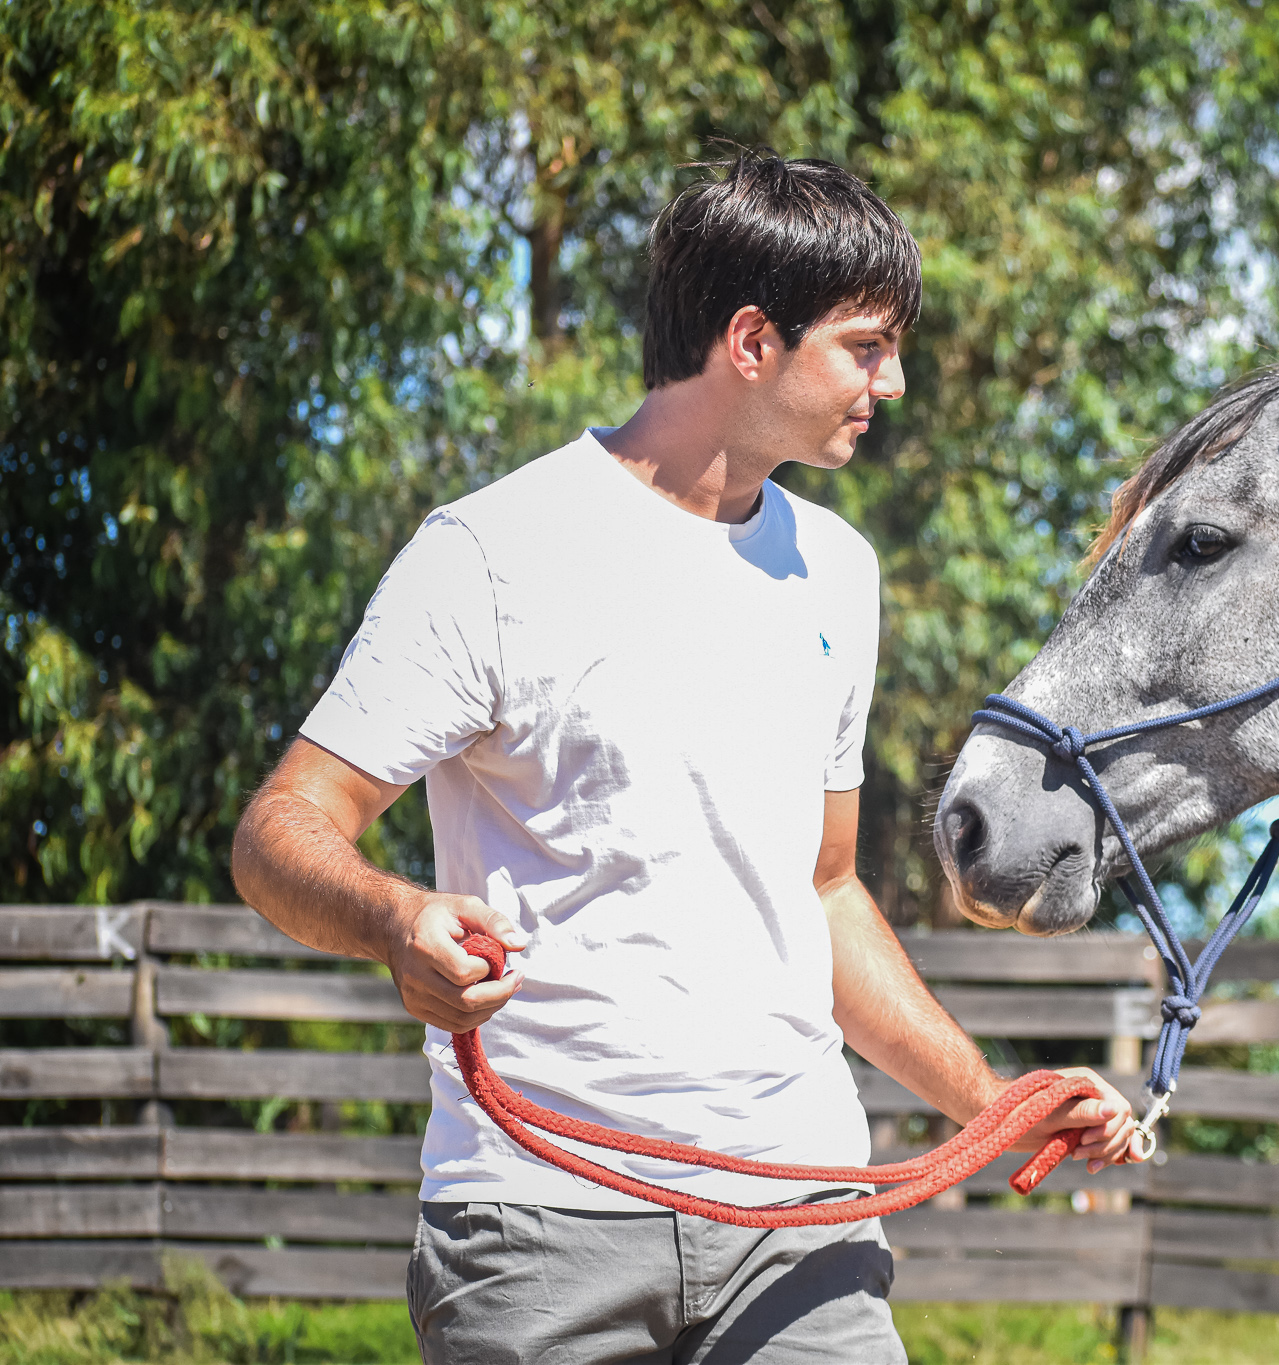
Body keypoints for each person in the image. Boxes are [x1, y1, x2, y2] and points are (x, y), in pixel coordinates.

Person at [232, 150, 1137, 1365]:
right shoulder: (492, 554)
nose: (896, 381)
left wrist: (992, 1106)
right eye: (866, 347)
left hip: (803, 1219)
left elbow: (819, 892)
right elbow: (281, 829)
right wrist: (394, 919)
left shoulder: (838, 572)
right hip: (538, 1225)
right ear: (752, 341)